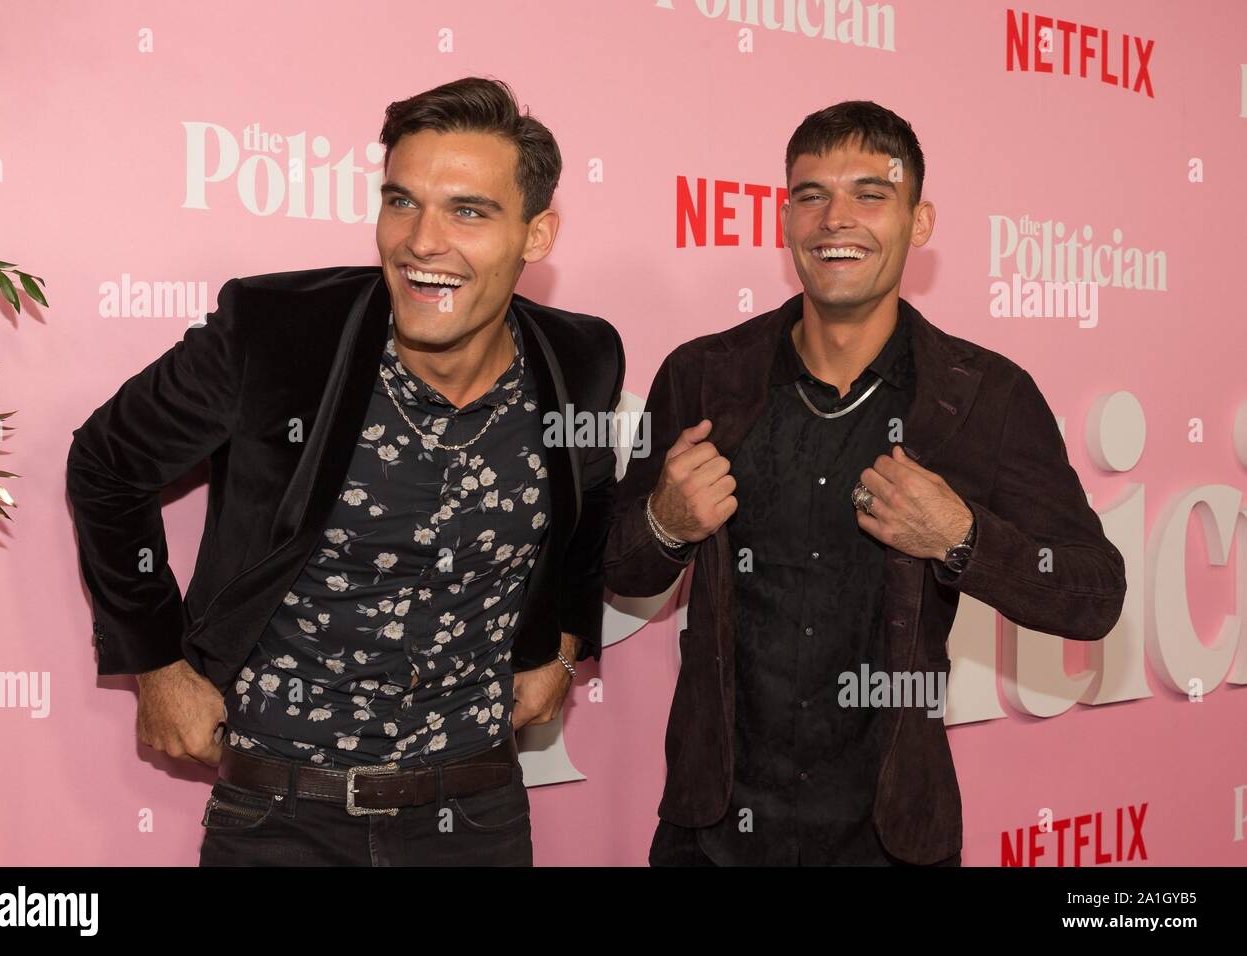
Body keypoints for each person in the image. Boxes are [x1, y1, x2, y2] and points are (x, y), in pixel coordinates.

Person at [67, 76, 625, 866]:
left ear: (536, 235)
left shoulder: (582, 356)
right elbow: (106, 463)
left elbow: (589, 497)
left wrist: (564, 644)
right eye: (402, 202)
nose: (422, 241)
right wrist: (156, 662)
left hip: (475, 813)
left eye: (469, 211)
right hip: (279, 810)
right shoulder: (279, 333)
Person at [603, 100, 1126, 866]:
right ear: (786, 220)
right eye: (811, 195)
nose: (834, 219)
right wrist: (664, 524)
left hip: (890, 837)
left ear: (919, 222)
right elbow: (621, 567)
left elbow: (1094, 597)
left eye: (870, 194)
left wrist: (961, 540)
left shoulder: (986, 396)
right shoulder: (703, 376)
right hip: (712, 834)